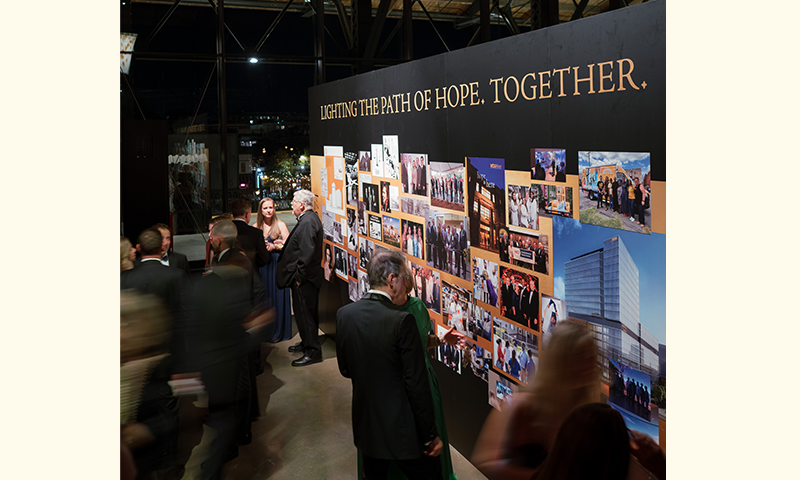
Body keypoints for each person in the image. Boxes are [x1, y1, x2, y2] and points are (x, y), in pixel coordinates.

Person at [336, 251, 445, 480]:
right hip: (403, 431)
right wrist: (430, 434)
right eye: (403, 278)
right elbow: (416, 383)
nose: (405, 285)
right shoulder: (402, 321)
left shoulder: (345, 315)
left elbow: (345, 369)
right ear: (392, 279)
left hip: (368, 428)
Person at [472, 322, 600, 479]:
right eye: (579, 357)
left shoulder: (589, 418)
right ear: (559, 361)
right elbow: (485, 464)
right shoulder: (520, 407)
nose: (587, 366)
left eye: (591, 357)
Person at [277, 189, 324, 367]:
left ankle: (312, 351)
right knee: (305, 314)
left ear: (302, 205)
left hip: (305, 279)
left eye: (294, 201)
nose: (292, 204)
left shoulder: (307, 222)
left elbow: (306, 252)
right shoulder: (309, 219)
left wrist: (298, 276)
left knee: (305, 315)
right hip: (307, 277)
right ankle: (307, 343)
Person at [256, 197, 292, 342]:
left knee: (277, 296)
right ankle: (266, 332)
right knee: (265, 297)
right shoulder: (256, 226)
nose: (268, 210)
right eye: (265, 208)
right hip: (263, 266)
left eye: (270, 207)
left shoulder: (281, 225)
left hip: (277, 265)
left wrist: (275, 246)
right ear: (260, 210)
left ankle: (279, 331)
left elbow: (289, 246)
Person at [231, 198, 271, 270]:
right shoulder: (256, 233)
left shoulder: (224, 230)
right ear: (247, 214)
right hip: (250, 272)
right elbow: (264, 259)